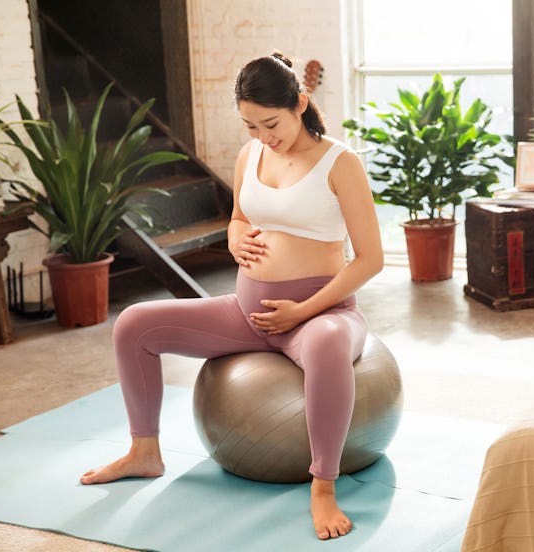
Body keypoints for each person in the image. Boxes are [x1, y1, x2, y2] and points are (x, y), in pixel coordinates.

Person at [80, 52, 384, 541]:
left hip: (320, 313)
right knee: (133, 324)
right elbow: (241, 217)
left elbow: (370, 258)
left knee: (327, 344)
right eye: (250, 126)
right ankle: (144, 451)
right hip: (248, 311)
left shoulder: (339, 162)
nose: (263, 136)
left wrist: (303, 312)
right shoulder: (252, 155)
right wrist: (234, 235)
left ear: (300, 103)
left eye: (271, 123)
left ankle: (323, 488)